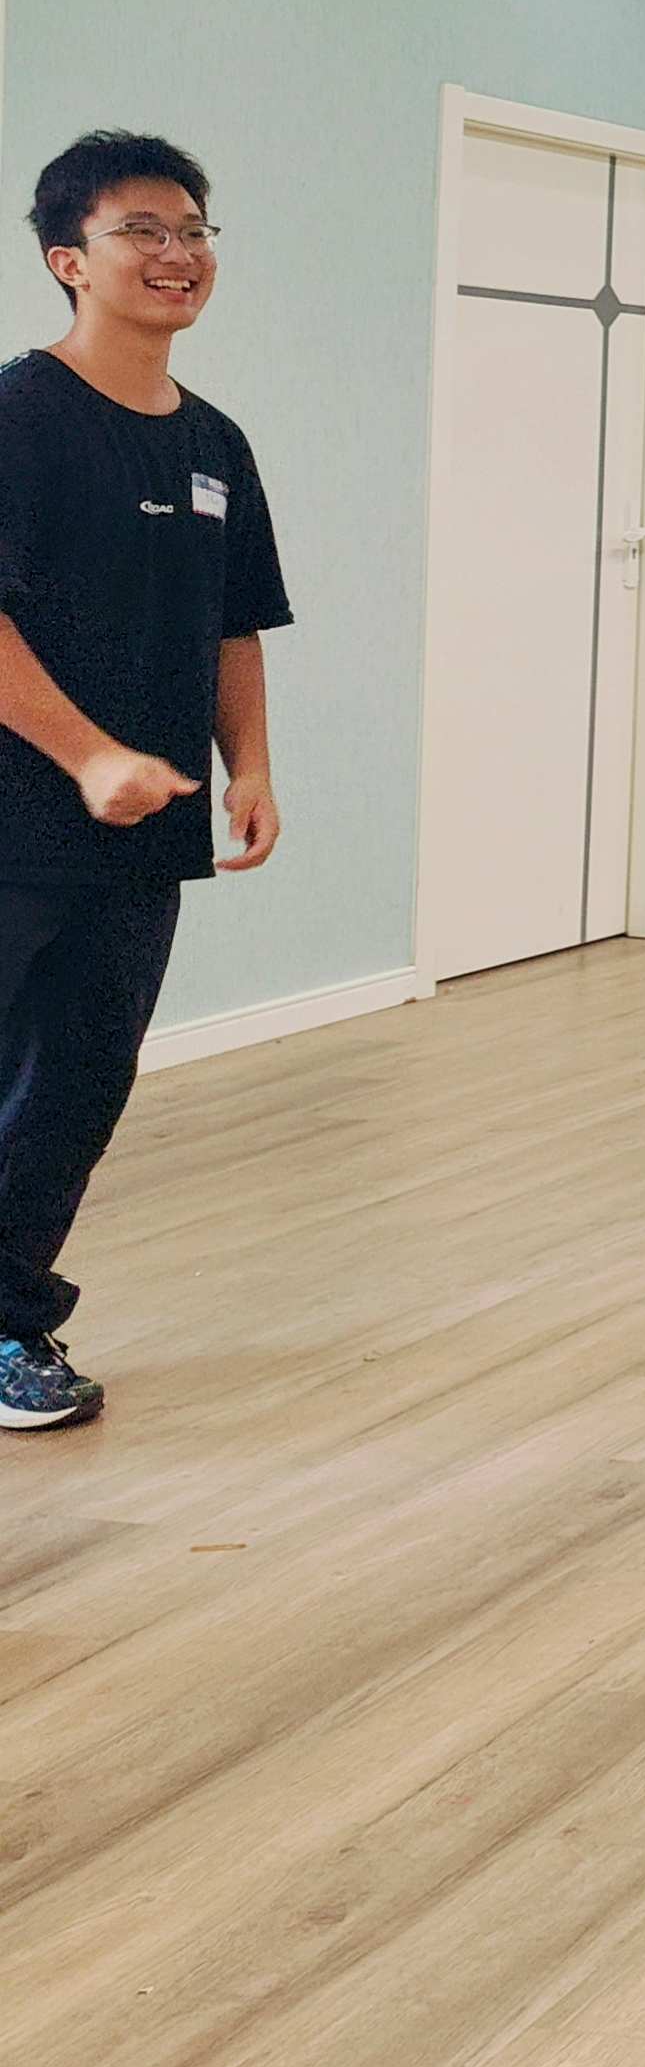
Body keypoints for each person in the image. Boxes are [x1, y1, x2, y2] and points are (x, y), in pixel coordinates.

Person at [0, 133, 289, 1432]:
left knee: (75, 1090)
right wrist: (87, 754)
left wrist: (252, 768)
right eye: (143, 231)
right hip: (18, 820)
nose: (180, 254)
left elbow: (234, 624)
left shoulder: (217, 443)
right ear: (69, 260)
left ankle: (9, 1325)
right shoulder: (19, 417)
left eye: (195, 230)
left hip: (139, 842)